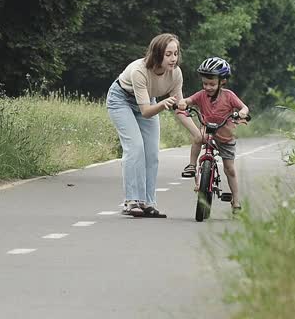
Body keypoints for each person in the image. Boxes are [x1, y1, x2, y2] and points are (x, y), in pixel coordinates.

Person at [105, 33, 197, 218]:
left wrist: (196, 132)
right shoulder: (140, 70)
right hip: (121, 99)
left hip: (149, 101)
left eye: (176, 54)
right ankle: (132, 201)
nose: (173, 59)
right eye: (168, 54)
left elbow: (180, 106)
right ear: (157, 54)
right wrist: (163, 104)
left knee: (152, 153)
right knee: (135, 147)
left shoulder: (176, 73)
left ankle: (148, 203)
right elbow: (146, 111)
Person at [177, 56, 250, 213]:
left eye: (212, 84)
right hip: (207, 130)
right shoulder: (201, 95)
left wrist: (242, 113)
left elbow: (244, 108)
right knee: (198, 137)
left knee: (229, 168)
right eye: (205, 83)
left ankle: (236, 200)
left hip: (225, 134)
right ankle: (192, 165)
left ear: (222, 81)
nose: (208, 87)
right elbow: (188, 100)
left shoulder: (229, 96)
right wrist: (183, 102)